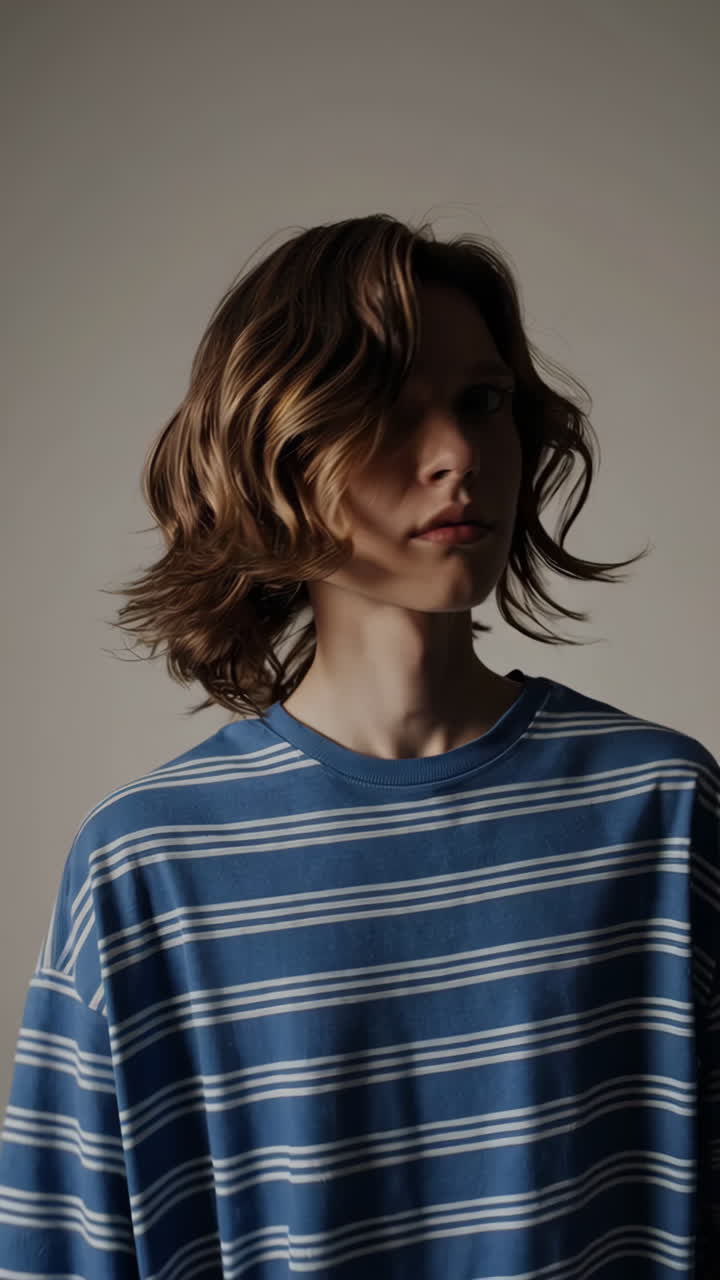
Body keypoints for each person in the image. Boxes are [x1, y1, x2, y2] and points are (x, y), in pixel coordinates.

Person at [1, 213, 717, 1278]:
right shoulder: (146, 865)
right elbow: (64, 1246)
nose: (459, 456)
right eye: (390, 409)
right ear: (278, 450)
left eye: (483, 402)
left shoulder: (663, 811)